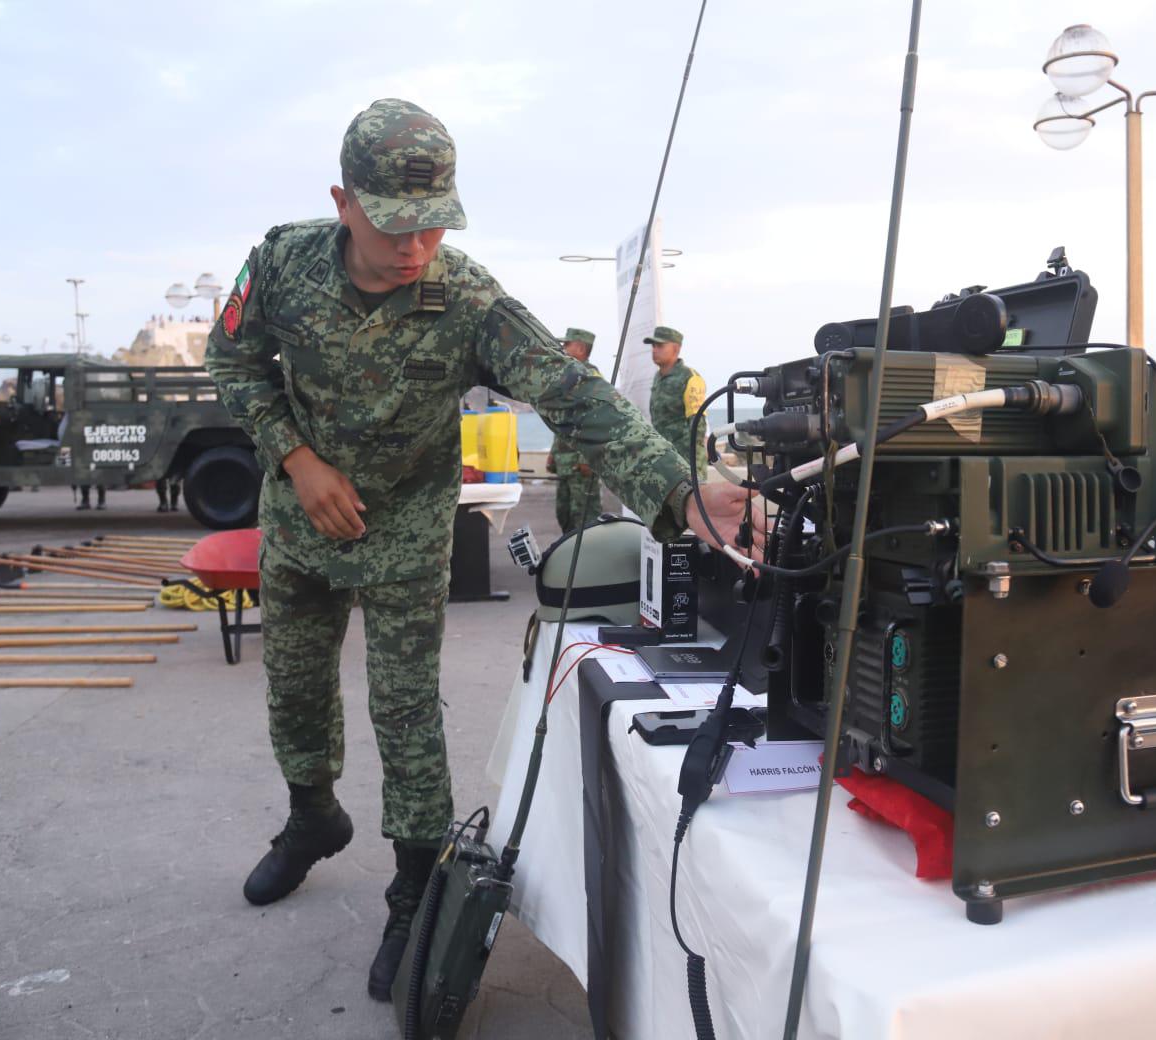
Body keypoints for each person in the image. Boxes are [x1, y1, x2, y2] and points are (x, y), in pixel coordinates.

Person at [203, 99, 754, 1002]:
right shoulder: (280, 261)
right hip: (300, 523)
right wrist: (297, 461)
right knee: (293, 684)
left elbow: (575, 397)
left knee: (405, 706)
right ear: (343, 201)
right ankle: (312, 817)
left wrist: (677, 493)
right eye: (394, 223)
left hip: (408, 529)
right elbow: (235, 364)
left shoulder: (465, 298)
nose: (416, 245)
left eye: (434, 223)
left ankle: (414, 882)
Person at [545, 328, 604, 533]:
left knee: (587, 518)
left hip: (581, 465)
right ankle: (569, 559)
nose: (562, 348)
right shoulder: (567, 377)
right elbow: (560, 420)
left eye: (567, 344)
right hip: (564, 462)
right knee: (564, 515)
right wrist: (553, 453)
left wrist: (588, 458)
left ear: (580, 348)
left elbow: (597, 420)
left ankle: (589, 560)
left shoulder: (590, 377)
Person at [647, 325, 707, 476]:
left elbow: (698, 424)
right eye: (653, 346)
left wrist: (692, 467)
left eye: (660, 345)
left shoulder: (690, 377)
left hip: (686, 463)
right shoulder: (657, 377)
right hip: (664, 459)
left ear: (675, 349)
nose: (654, 350)